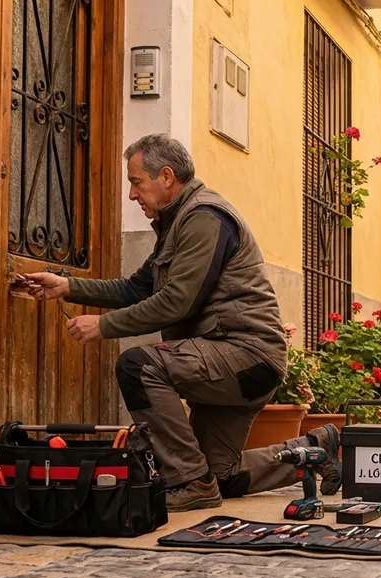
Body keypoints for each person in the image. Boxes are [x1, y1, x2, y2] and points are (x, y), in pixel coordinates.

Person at [22, 133, 341, 512]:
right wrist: (67, 286)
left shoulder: (204, 218)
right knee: (220, 476)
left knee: (138, 367)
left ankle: (189, 484)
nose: (132, 194)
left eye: (136, 182)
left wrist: (103, 326)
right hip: (231, 358)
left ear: (167, 176)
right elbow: (135, 288)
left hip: (245, 356)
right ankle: (314, 451)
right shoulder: (178, 223)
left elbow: (177, 302)